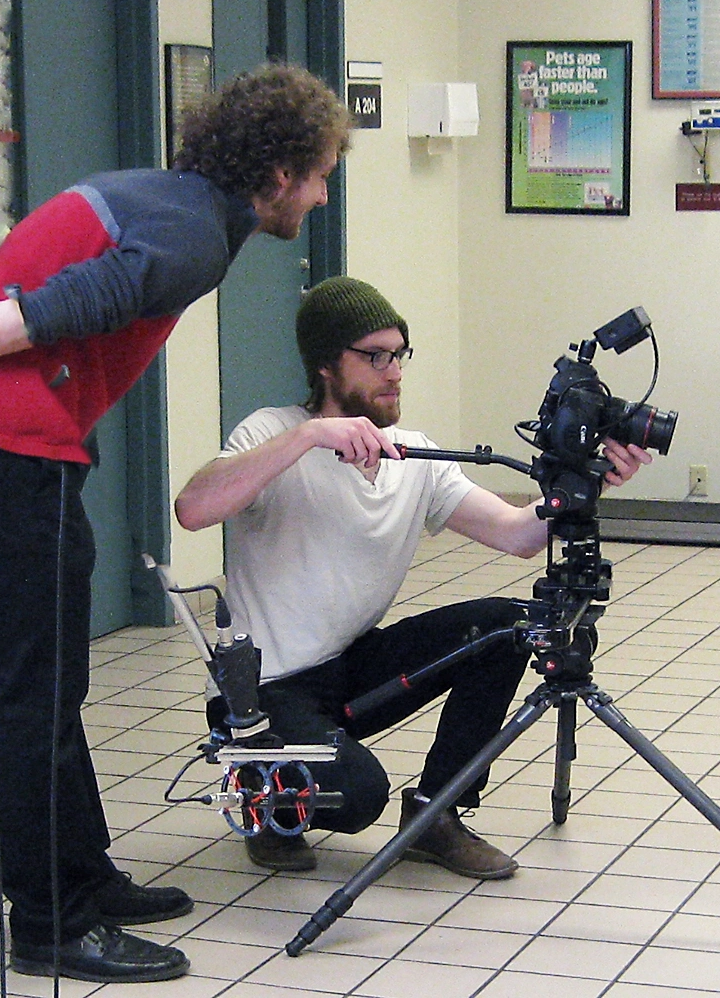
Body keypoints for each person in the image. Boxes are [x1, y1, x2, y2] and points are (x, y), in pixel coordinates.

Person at [0, 62, 350, 983]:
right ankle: (50, 923)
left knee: (56, 674)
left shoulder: (177, 203)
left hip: (14, 435)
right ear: (278, 173)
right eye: (318, 175)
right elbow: (65, 305)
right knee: (38, 686)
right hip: (2, 432)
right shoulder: (191, 233)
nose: (318, 194)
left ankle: (86, 876)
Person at [173, 277, 651, 878]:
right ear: (325, 365)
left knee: (510, 627)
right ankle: (265, 792)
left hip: (349, 670)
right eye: (374, 357)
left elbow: (517, 535)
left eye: (399, 354)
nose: (393, 371)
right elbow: (193, 509)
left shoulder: (411, 454)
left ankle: (437, 815)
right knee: (357, 794)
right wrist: (308, 436)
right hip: (267, 692)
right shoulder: (274, 434)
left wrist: (589, 482)